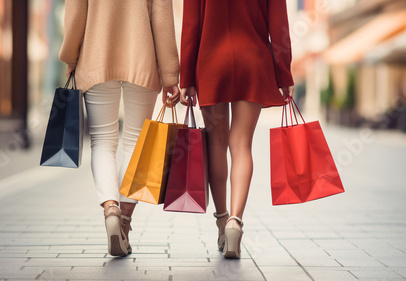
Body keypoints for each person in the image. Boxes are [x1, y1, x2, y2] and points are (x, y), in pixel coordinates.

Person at [59, 0, 180, 256]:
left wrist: (70, 56)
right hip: (143, 58)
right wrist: (170, 74)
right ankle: (124, 221)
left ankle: (110, 208)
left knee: (102, 141)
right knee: (137, 143)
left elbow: (77, 13)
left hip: (95, 57)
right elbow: (161, 17)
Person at [180, 0, 294, 258]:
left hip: (211, 63)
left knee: (216, 145)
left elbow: (191, 24)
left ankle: (221, 222)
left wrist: (186, 76)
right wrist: (284, 73)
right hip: (253, 60)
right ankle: (235, 221)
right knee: (241, 146)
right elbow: (279, 26)